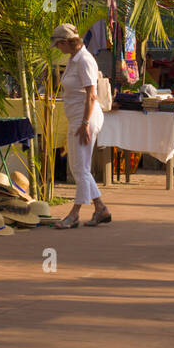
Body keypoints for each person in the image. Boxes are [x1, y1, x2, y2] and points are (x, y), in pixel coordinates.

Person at [51, 22, 111, 229]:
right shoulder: (74, 60)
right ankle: (100, 207)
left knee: (81, 168)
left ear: (66, 42)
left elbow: (91, 95)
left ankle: (74, 213)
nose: (59, 49)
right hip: (78, 116)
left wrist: (85, 123)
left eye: (59, 45)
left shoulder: (84, 60)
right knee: (78, 167)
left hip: (85, 117)